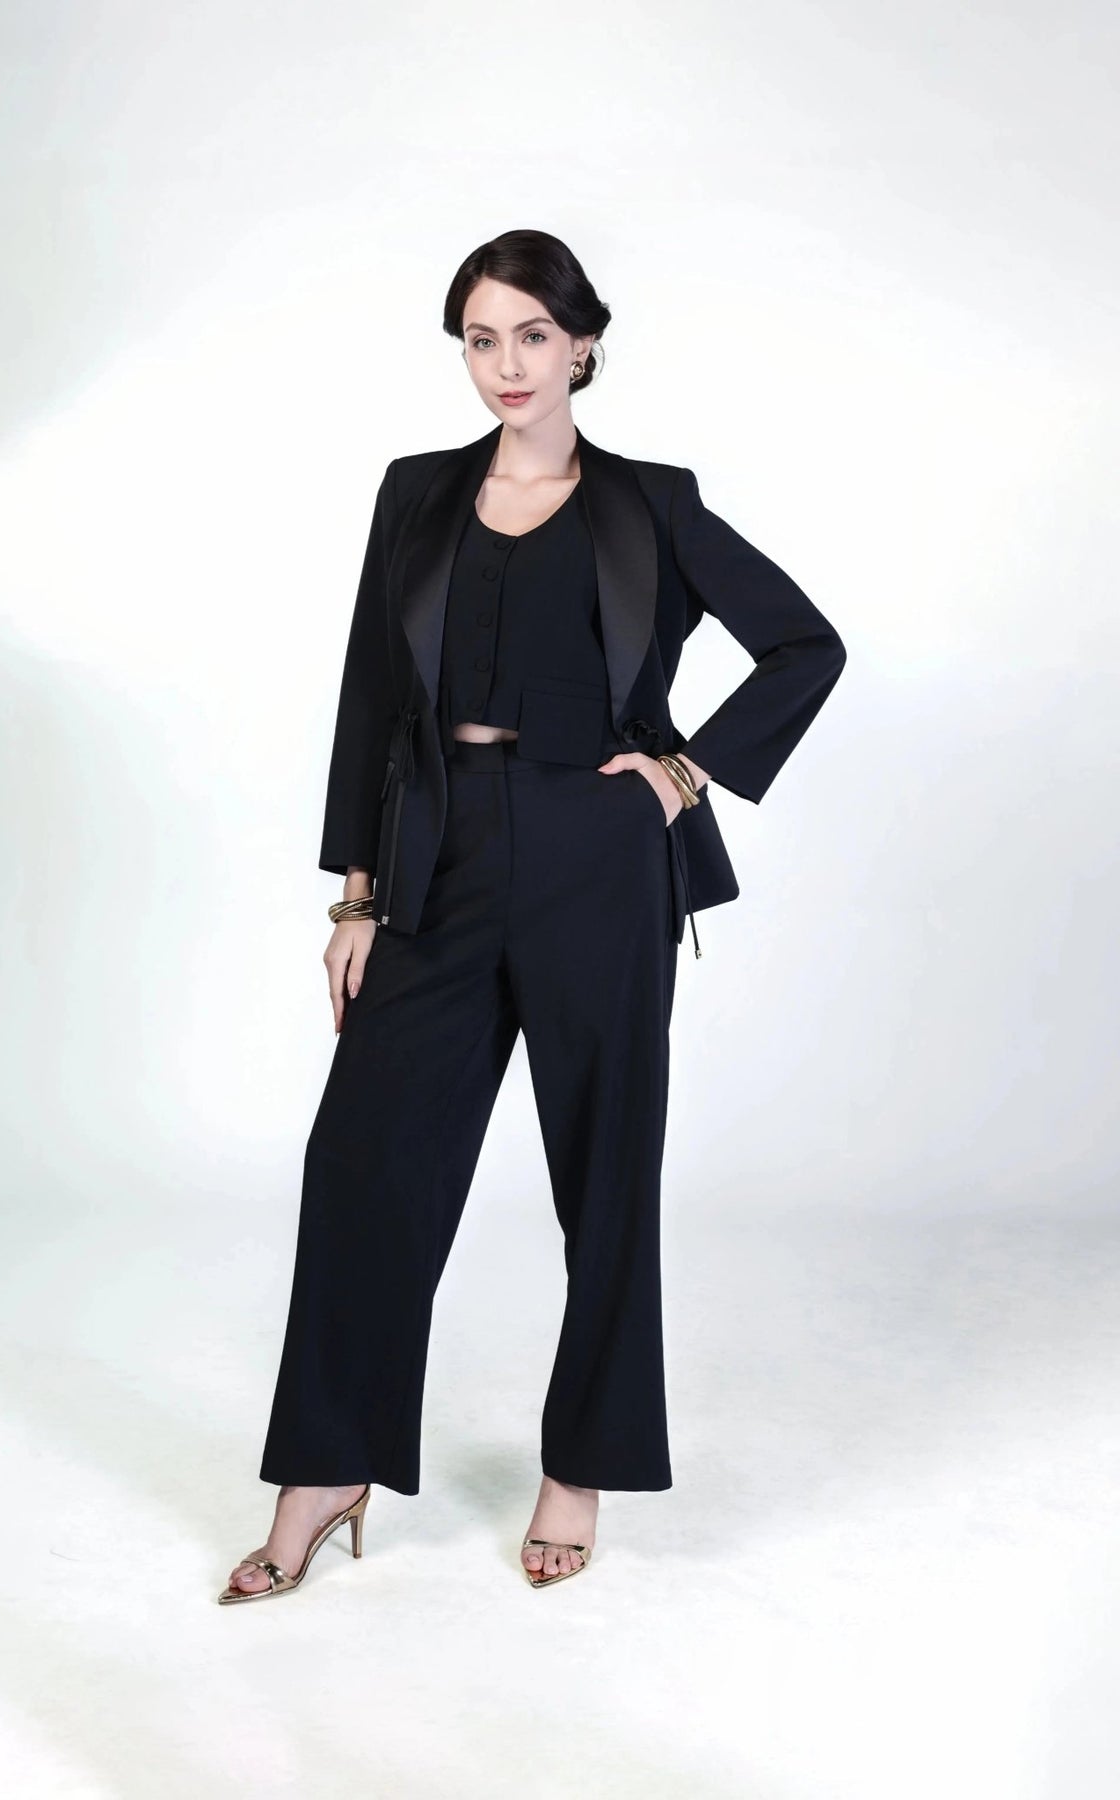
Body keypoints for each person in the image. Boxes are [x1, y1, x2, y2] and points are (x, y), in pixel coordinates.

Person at [219, 229, 847, 1601]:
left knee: (604, 1171)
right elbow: (372, 697)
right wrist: (356, 894)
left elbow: (808, 645)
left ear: (582, 344)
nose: (507, 364)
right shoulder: (417, 493)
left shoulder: (651, 505)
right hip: (436, 857)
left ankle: (583, 1467)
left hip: (597, 857)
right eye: (481, 339)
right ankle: (325, 1467)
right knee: (362, 1165)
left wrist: (682, 773)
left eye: (532, 336)